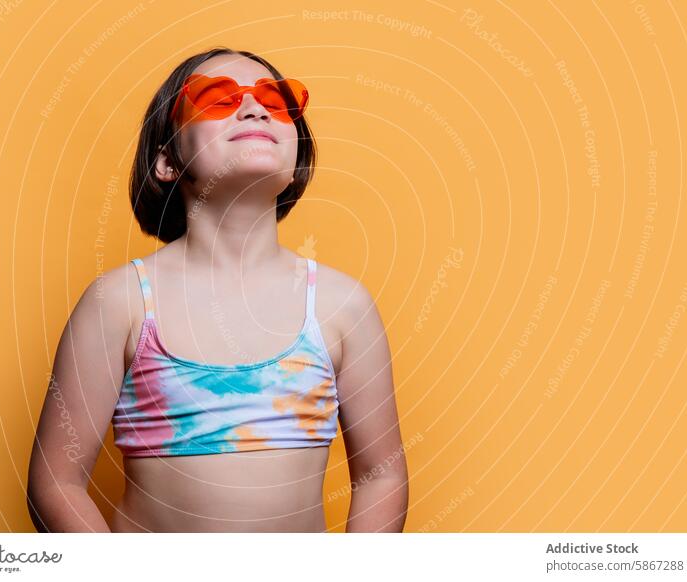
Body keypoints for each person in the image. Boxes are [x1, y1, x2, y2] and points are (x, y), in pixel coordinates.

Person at [26, 46, 408, 533]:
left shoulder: (343, 305)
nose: (255, 107)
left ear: (296, 158)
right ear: (167, 160)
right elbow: (56, 482)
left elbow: (382, 476)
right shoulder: (118, 303)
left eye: (277, 99)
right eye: (216, 98)